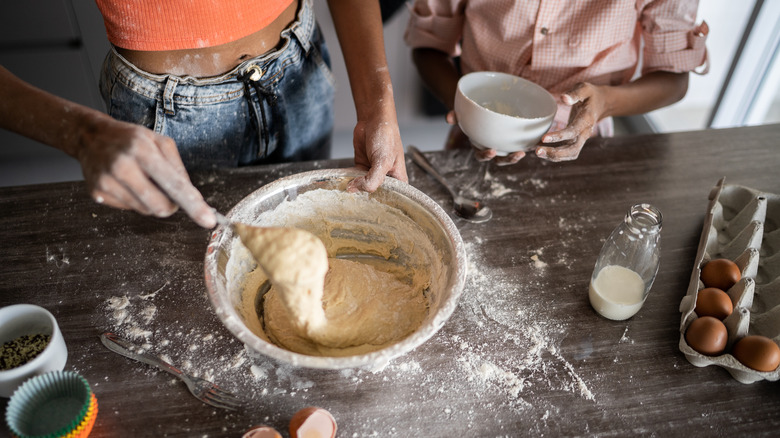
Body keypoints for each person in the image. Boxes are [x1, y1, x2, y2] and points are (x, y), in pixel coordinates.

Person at [0, 0, 407, 229]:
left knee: (309, 227)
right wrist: (82, 134)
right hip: (168, 111)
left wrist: (377, 105)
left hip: (297, 72)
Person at [404, 0, 709, 165]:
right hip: (473, 137)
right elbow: (429, 46)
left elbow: (674, 79)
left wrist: (605, 101)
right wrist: (465, 109)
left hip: (584, 141)